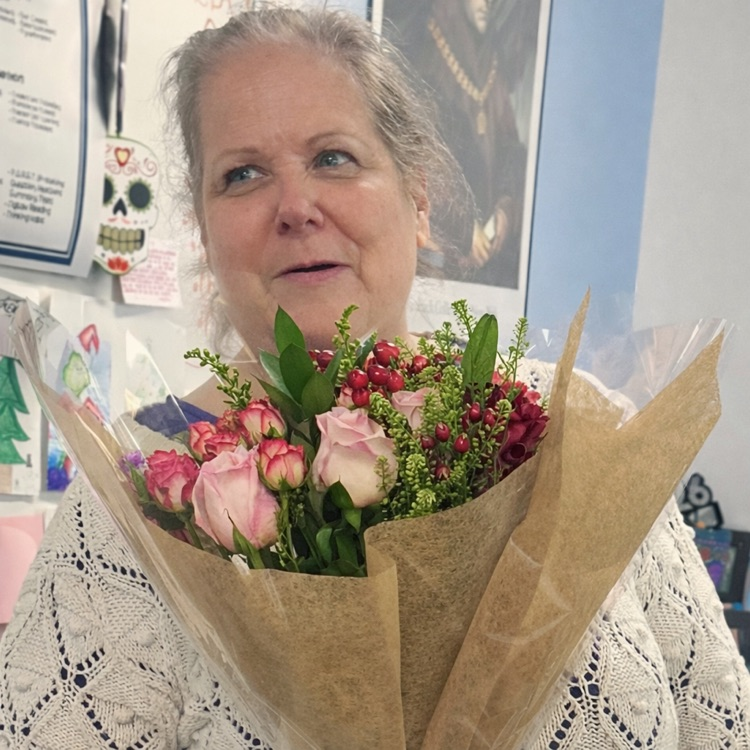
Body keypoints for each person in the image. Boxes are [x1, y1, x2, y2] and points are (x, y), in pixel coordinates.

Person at [1, 7, 749, 749]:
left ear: (418, 200)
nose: (295, 207)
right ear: (202, 230)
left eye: (334, 158)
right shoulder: (135, 505)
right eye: (243, 174)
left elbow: (724, 724)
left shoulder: (578, 435)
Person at [383, 0, 541, 289]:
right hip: (434, 268)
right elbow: (412, 156)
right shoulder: (421, 54)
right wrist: (465, 228)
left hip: (488, 266)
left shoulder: (490, 65)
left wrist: (505, 210)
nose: (488, 4)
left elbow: (510, 150)